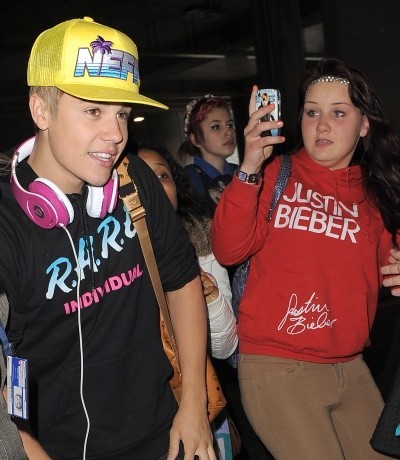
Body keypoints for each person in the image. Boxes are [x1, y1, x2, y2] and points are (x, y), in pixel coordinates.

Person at [0, 17, 216, 460]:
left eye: (121, 113)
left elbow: (181, 280)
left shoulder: (134, 180)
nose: (116, 134)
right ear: (42, 110)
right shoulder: (5, 224)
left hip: (165, 432)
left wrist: (194, 403)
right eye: (93, 111)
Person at [212, 57, 400, 459]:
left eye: (338, 113)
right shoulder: (275, 173)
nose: (322, 124)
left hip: (352, 368)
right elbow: (228, 249)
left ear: (364, 124)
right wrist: (248, 167)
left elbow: (392, 268)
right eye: (312, 112)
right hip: (279, 368)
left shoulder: (376, 197)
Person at [136, 141, 238, 459]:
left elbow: (226, 347)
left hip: (195, 405)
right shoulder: (105, 255)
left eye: (162, 176)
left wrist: (211, 299)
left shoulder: (201, 239)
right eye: (140, 179)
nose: (153, 187)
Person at [178, 95, 237, 211]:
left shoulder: (241, 174)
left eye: (229, 125)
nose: (228, 132)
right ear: (195, 139)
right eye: (216, 127)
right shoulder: (187, 180)